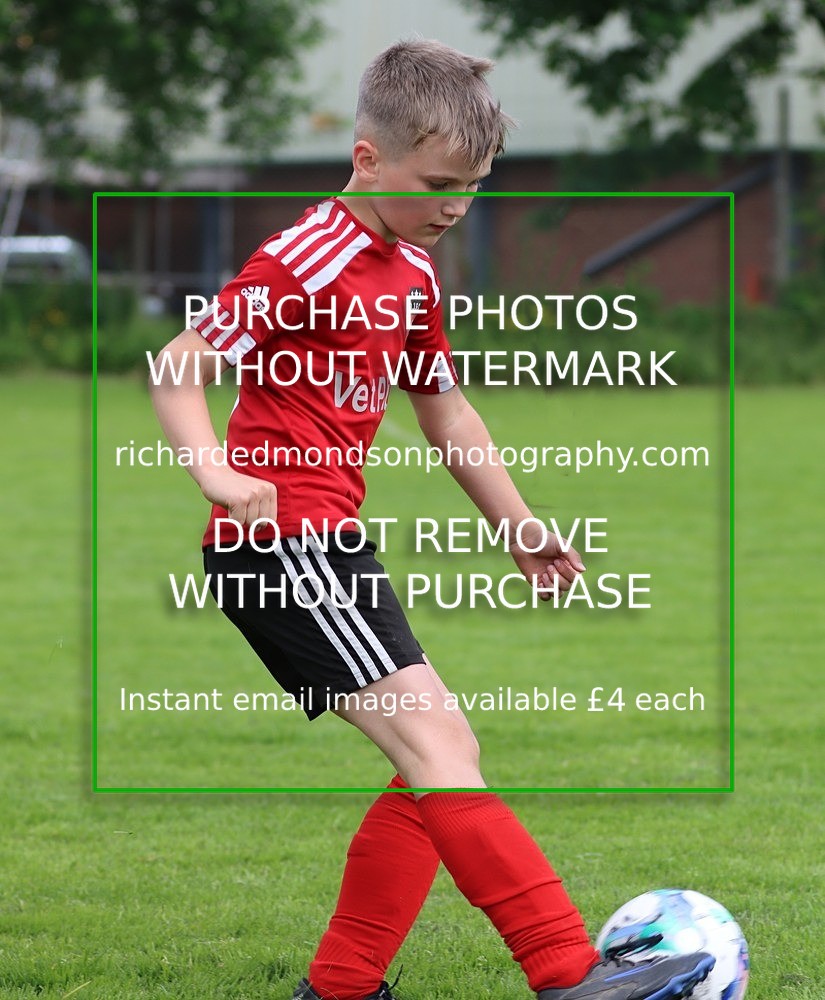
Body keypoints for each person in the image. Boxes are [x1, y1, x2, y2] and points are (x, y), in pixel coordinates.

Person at [150, 39, 714, 1000]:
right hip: (275, 544)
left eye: (475, 187)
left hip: (326, 543)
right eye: (438, 183)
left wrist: (517, 525)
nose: (455, 206)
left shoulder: (409, 270)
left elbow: (444, 406)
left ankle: (341, 987)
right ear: (367, 159)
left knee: (443, 757)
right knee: (437, 754)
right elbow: (178, 364)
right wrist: (217, 470)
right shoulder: (304, 256)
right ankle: (566, 972)